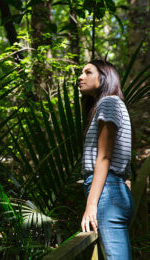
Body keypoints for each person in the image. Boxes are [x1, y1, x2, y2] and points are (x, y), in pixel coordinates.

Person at [78, 60, 135, 260]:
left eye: (88, 72)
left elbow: (104, 156)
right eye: (81, 72)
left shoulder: (108, 103)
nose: (80, 77)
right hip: (113, 190)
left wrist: (91, 204)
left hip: (106, 192)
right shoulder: (112, 104)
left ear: (103, 77)